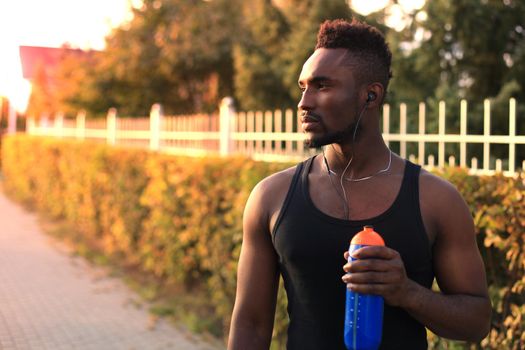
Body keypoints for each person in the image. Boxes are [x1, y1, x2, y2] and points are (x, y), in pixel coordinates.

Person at [228, 18, 491, 349]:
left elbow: (477, 321)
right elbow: (250, 325)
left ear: (370, 95)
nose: (304, 103)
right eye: (303, 87)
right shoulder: (272, 197)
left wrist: (407, 292)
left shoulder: (435, 199)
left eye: (322, 86)